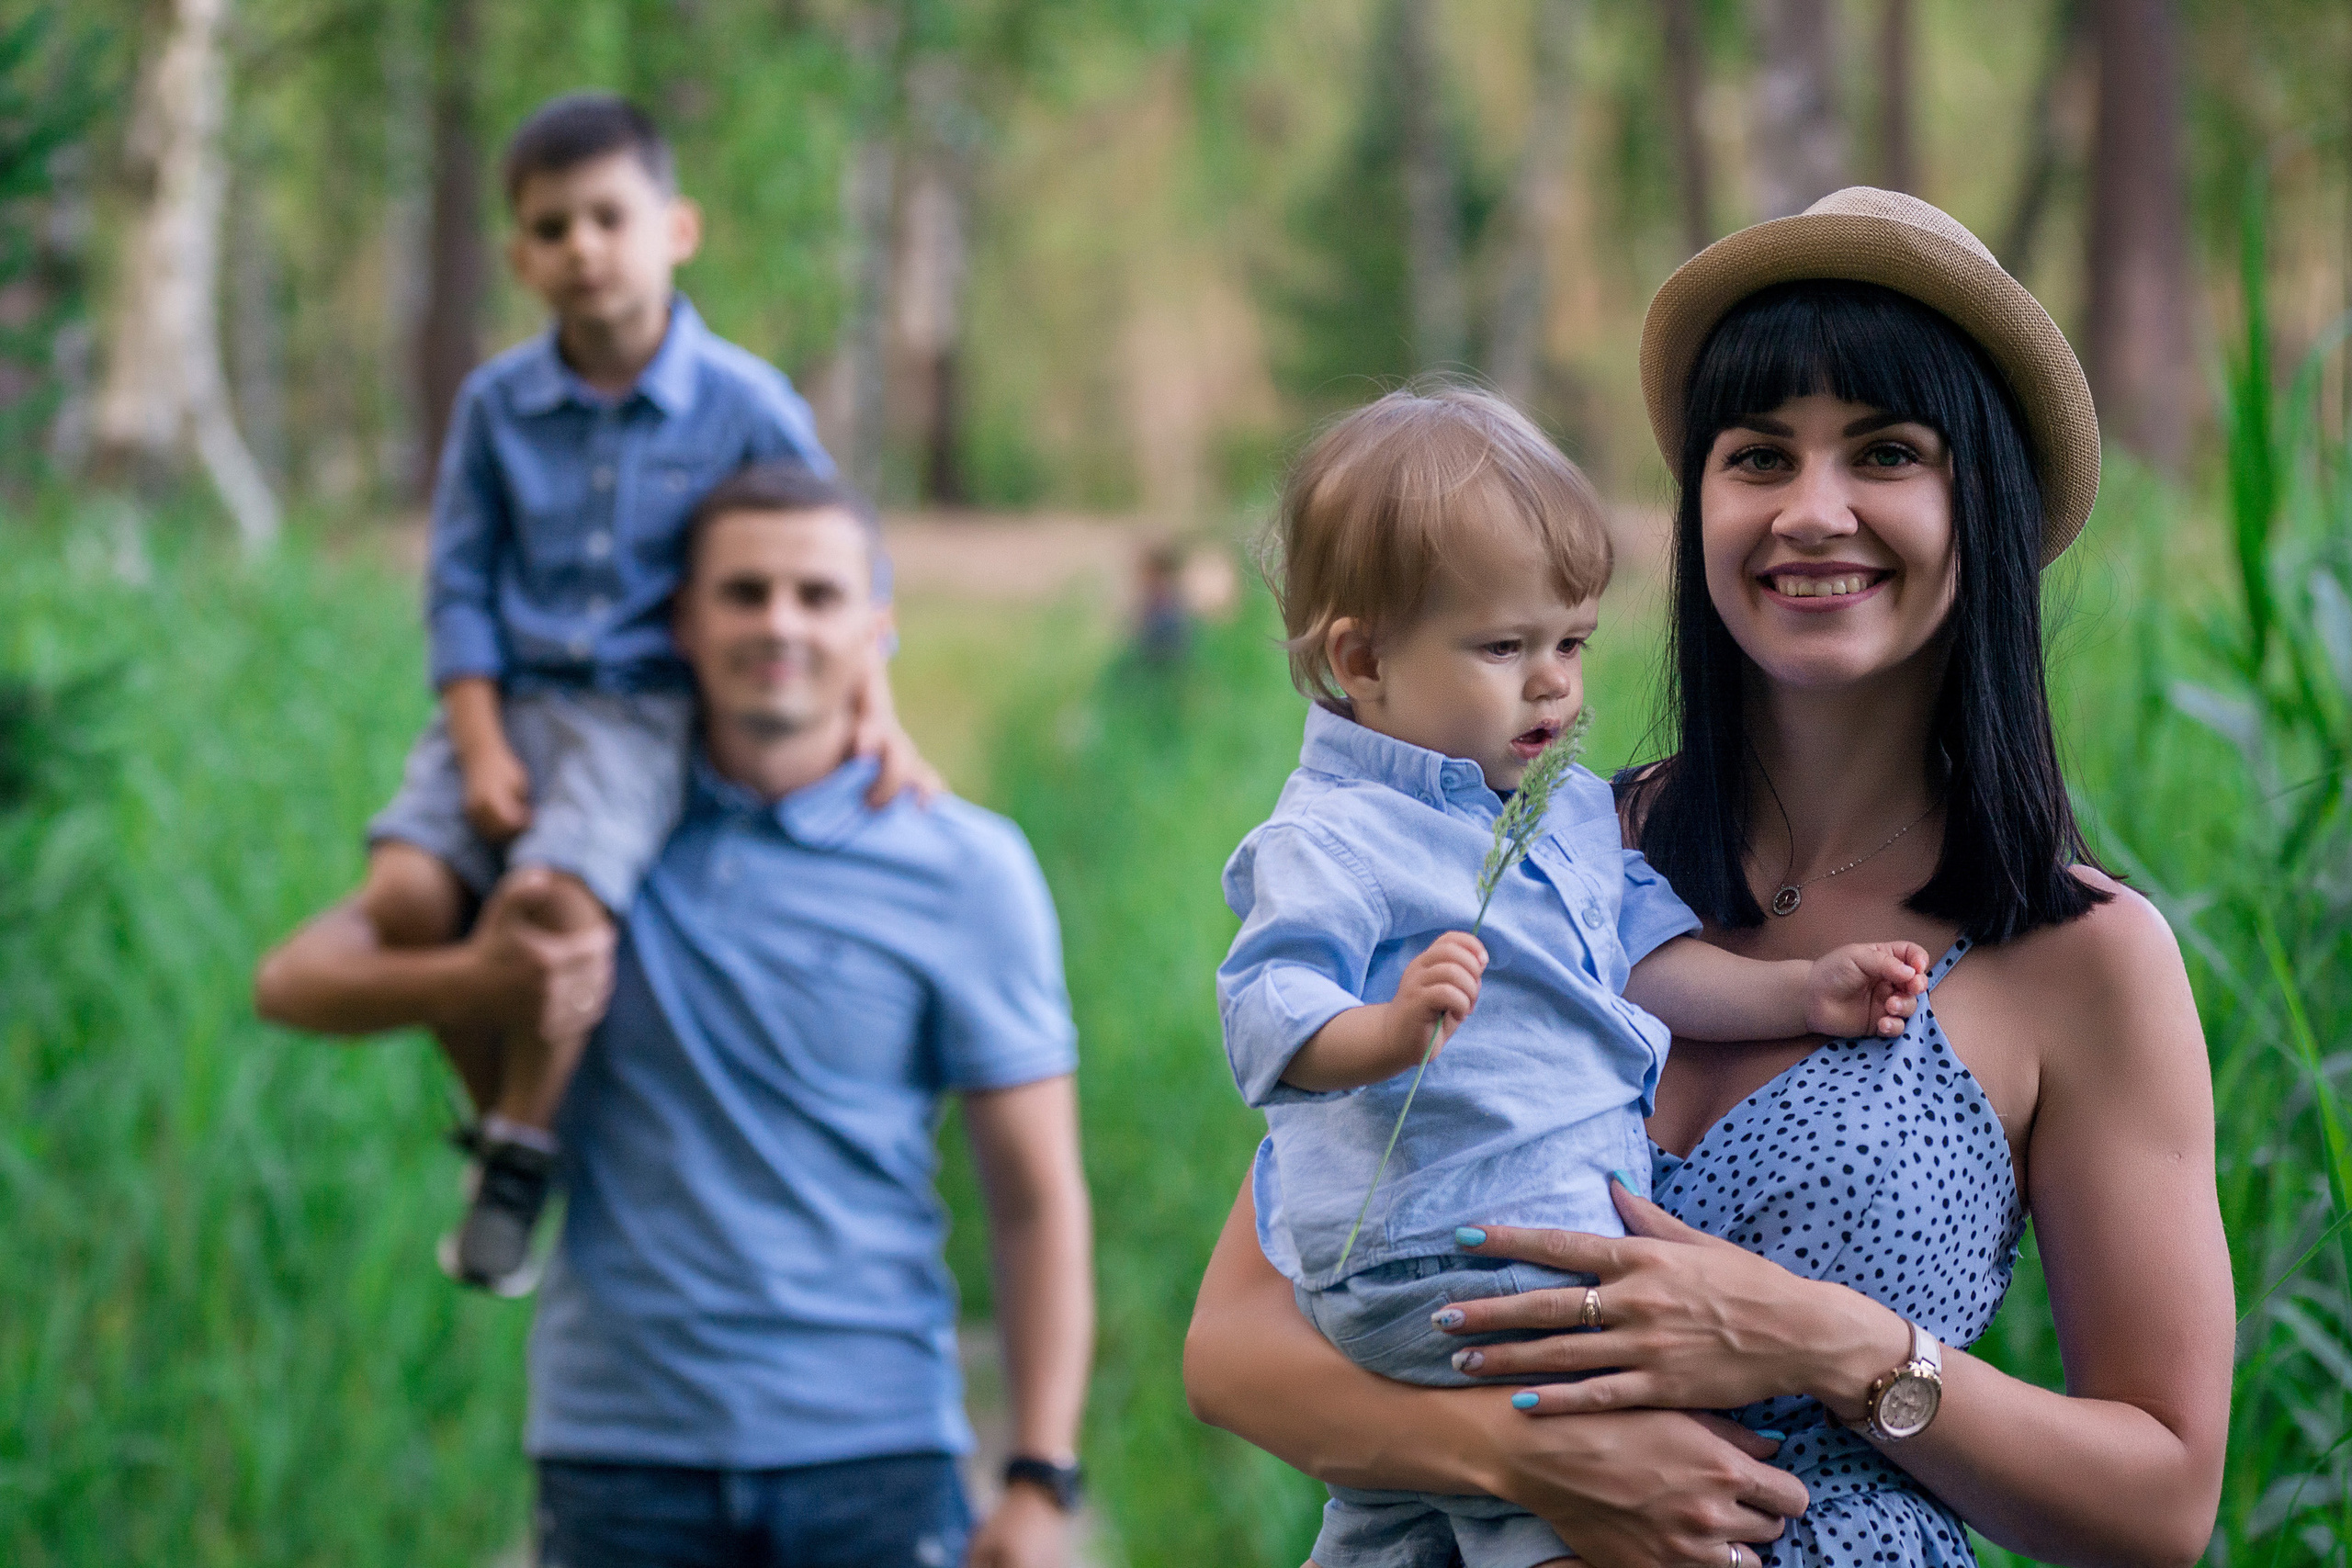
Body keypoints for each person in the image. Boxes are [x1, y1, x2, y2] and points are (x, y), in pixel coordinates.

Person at [1184, 188, 2231, 1568]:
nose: (1812, 510)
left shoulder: (2082, 956)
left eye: (1885, 451)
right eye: (1756, 455)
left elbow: (2160, 1501)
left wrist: (1832, 1340)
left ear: (1982, 498)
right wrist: (1524, 1457)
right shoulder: (1531, 852)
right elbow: (1238, 1345)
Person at [255, 462, 1093, 1568]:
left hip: (872, 1453)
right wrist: (484, 981)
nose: (779, 624)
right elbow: (295, 980)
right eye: (743, 593)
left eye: (817, 595)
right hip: (617, 1452)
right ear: (681, 622)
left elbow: (1033, 1196)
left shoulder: (965, 867)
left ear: (877, 628)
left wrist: (1038, 1475)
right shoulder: (582, 849)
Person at [1223, 384, 1930, 1568]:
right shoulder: (1339, 837)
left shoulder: (1566, 814)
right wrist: (1387, 1035)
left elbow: (1646, 966)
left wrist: (1802, 997)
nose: (1553, 682)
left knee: (1400, 1521)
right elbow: (1265, 1008)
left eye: (1571, 640)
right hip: (1453, 1251)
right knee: (1607, 1491)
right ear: (1362, 661)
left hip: (1505, 1248)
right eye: (1503, 648)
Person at [278, 91, 920, 1292]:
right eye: (552, 226)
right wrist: (476, 746)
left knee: (553, 896)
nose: (582, 248)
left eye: (607, 218)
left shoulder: (745, 400)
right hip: (507, 697)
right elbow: (460, 586)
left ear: (675, 228)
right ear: (521, 254)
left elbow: (844, 558)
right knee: (411, 893)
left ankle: (521, 1148)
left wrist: (872, 705)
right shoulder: (497, 406)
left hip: (639, 711)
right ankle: (518, 1129)